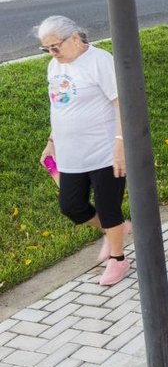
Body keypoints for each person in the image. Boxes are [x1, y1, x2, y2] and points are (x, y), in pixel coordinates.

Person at [36, 15, 132, 287]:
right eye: (47, 49)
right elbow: (60, 106)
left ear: (75, 38)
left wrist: (120, 144)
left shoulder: (99, 61)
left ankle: (118, 258)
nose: (52, 53)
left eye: (56, 46)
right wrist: (51, 142)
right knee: (72, 206)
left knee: (108, 205)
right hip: (70, 153)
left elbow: (120, 103)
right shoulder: (54, 67)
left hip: (104, 150)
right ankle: (115, 231)